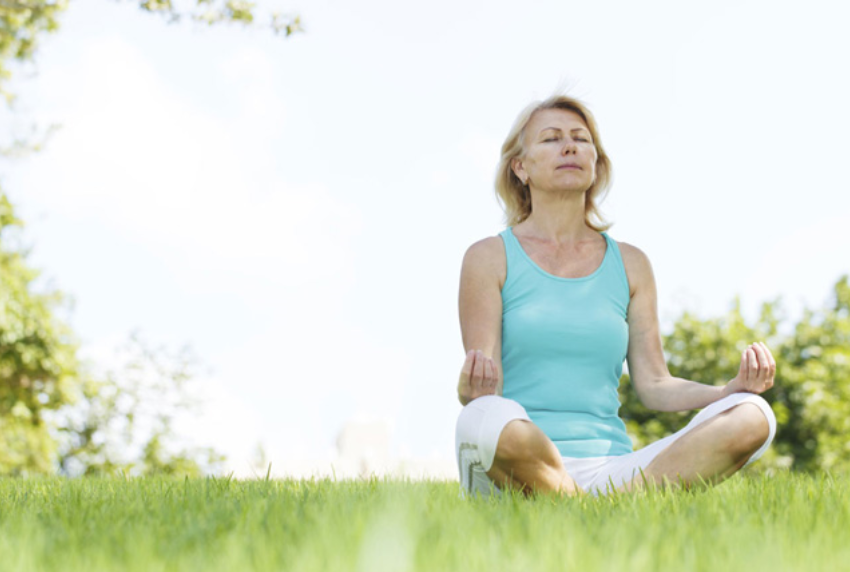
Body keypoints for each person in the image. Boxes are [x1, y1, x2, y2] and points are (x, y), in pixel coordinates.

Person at [454, 94, 777, 497]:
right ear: (521, 167)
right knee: (481, 417)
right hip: (516, 463)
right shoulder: (488, 257)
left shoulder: (631, 263)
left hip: (611, 471)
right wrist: (470, 390)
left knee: (753, 415)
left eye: (580, 138)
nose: (569, 146)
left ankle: (583, 505)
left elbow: (655, 383)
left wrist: (728, 392)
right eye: (551, 139)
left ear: (596, 163)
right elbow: (483, 386)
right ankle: (585, 503)